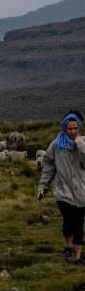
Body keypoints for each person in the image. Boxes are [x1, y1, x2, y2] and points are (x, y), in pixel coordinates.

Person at [38, 110, 85, 263]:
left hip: (81, 192)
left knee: (79, 224)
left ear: (79, 128)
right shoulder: (56, 145)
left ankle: (77, 258)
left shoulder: (83, 143)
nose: (73, 132)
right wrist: (43, 186)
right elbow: (48, 164)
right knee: (69, 218)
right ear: (65, 128)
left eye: (75, 128)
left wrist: (81, 147)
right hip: (63, 190)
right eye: (70, 129)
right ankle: (67, 247)